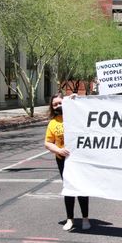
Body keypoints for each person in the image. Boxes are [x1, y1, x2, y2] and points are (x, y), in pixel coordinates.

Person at [45, 92, 90, 231]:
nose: (58, 106)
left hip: (80, 159)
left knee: (82, 187)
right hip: (63, 161)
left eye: (60, 103)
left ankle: (85, 218)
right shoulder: (53, 123)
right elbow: (48, 142)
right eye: (55, 104)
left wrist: (76, 99)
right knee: (69, 189)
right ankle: (70, 219)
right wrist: (58, 150)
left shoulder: (76, 117)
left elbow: (88, 110)